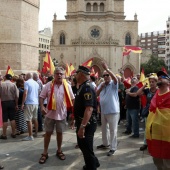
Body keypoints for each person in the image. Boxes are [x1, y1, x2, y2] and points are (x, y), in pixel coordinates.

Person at [39, 67, 74, 164]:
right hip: (49, 114)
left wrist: (73, 113)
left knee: (60, 133)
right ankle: (45, 152)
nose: (59, 75)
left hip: (62, 114)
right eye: (57, 73)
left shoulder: (67, 86)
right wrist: (42, 107)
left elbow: (72, 99)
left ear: (64, 75)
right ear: (54, 75)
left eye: (61, 74)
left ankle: (59, 150)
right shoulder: (48, 85)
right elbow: (41, 97)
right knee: (48, 133)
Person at [74, 65, 99, 170]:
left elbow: (89, 109)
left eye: (76, 73)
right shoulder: (83, 86)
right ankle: (93, 163)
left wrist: (82, 127)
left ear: (80, 74)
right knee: (83, 145)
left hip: (87, 124)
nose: (75, 76)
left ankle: (91, 166)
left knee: (87, 147)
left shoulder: (87, 87)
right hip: (82, 121)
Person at [146, 71, 170, 170]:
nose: (160, 77)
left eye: (163, 76)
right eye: (159, 76)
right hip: (154, 134)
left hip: (167, 136)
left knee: (167, 163)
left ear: (169, 82)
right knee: (157, 161)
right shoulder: (155, 94)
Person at [96, 61, 120, 156]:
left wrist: (107, 69)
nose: (106, 77)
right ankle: (105, 143)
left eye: (107, 75)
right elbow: (96, 94)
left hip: (113, 111)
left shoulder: (113, 84)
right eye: (104, 75)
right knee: (104, 128)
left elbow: (115, 78)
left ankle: (113, 147)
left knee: (113, 130)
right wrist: (101, 87)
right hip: (103, 111)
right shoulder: (101, 84)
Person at [136, 75, 158, 151]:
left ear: (156, 82)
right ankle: (145, 143)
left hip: (157, 113)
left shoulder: (159, 91)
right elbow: (138, 93)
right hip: (148, 112)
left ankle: (154, 143)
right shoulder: (147, 90)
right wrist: (144, 86)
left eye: (153, 82)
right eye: (150, 82)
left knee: (155, 129)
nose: (151, 83)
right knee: (147, 128)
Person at [0, 74, 19, 139]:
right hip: (12, 102)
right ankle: (14, 133)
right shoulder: (13, 84)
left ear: (5, 77)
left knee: (5, 119)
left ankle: (4, 134)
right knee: (12, 118)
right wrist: (16, 104)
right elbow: (16, 96)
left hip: (4, 102)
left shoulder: (1, 84)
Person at [21, 73, 39, 141]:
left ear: (27, 76)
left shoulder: (27, 82)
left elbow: (25, 93)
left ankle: (30, 135)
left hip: (29, 102)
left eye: (25, 76)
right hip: (35, 102)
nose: (25, 77)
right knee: (35, 118)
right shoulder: (36, 83)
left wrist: (23, 103)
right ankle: (36, 133)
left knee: (29, 119)